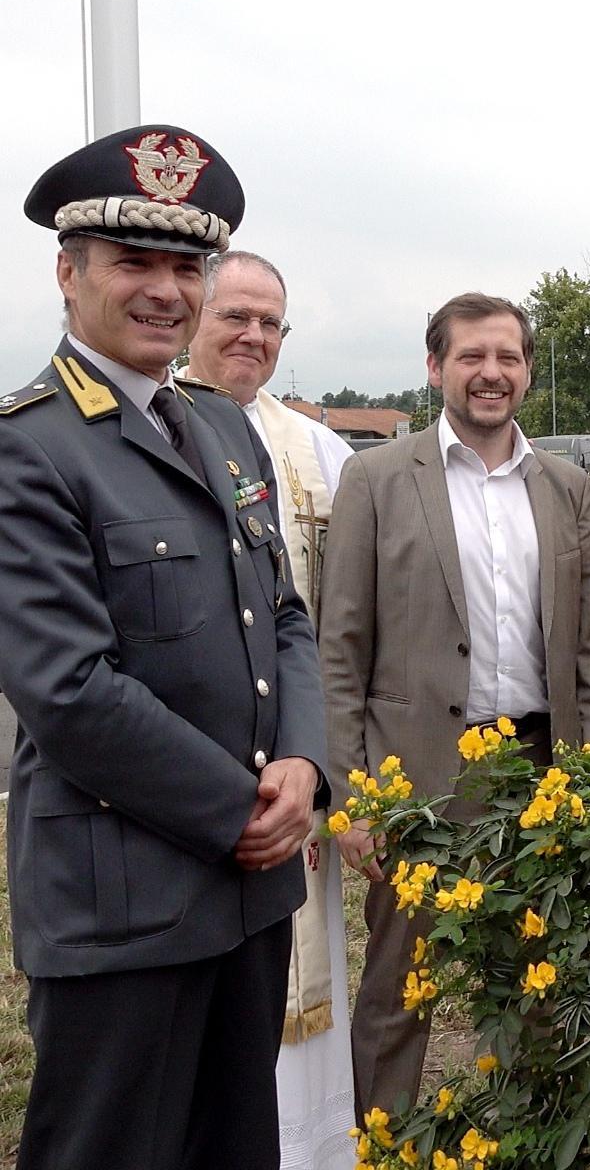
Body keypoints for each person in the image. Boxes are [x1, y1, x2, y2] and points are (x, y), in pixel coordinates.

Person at [0, 125, 327, 1170]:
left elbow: (284, 614)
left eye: (185, 266)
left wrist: (307, 765)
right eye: (132, 263)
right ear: (69, 271)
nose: (164, 291)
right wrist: (242, 807)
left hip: (249, 891)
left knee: (236, 1147)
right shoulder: (28, 448)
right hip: (123, 901)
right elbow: (70, 691)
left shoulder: (221, 427)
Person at [320, 292, 590, 1118]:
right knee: (399, 984)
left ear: (527, 369)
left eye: (508, 358)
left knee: (534, 973)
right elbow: (339, 649)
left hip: (539, 771)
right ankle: (379, 1138)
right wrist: (351, 797)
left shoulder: (564, 487)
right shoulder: (376, 479)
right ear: (435, 368)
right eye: (471, 357)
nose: (491, 374)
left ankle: (522, 1130)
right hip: (416, 778)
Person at [185, 250, 355, 1169]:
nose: (253, 336)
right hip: (187, 775)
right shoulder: (148, 421)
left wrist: (322, 767)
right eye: (235, 316)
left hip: (297, 775)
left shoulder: (318, 448)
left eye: (271, 324)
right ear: (193, 314)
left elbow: (329, 624)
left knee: (303, 978)